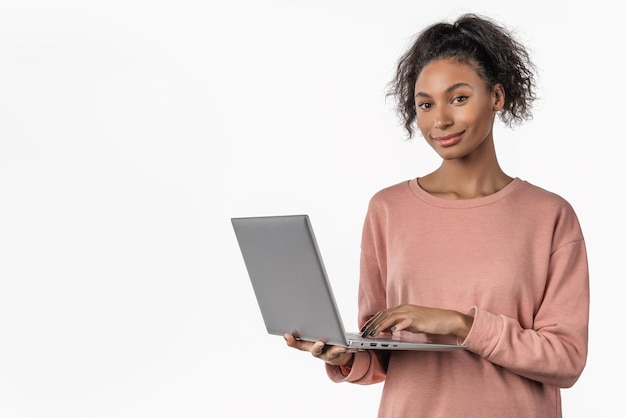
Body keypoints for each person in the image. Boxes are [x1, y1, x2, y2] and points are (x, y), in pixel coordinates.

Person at [284, 12, 589, 418]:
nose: (440, 120)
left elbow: (566, 360)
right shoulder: (389, 210)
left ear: (496, 96)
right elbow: (381, 353)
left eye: (458, 98)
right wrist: (344, 354)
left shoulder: (550, 215)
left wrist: (460, 324)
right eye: (425, 104)